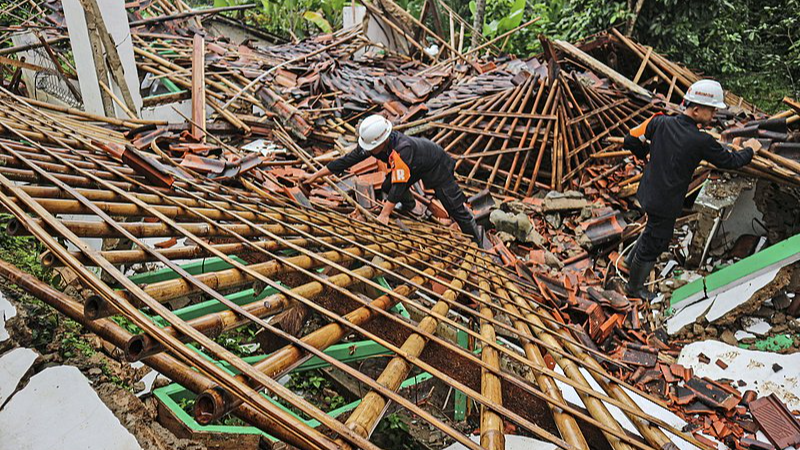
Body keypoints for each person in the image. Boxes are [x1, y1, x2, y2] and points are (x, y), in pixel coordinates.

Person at [621, 79, 761, 300]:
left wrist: (645, 152)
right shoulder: (701, 141)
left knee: (652, 228)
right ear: (696, 110)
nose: (714, 115)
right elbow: (732, 161)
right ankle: (634, 288)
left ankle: (629, 262)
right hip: (666, 201)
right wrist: (750, 150)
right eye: (712, 110)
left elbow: (629, 139)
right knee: (656, 241)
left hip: (648, 192)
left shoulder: (659, 122)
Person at [301, 114, 484, 245]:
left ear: (382, 141)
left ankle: (477, 245)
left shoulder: (402, 150)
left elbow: (400, 183)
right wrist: (314, 175)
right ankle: (410, 206)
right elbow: (345, 161)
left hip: (436, 166)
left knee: (454, 206)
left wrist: (385, 214)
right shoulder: (375, 144)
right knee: (387, 185)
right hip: (416, 165)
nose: (368, 151)